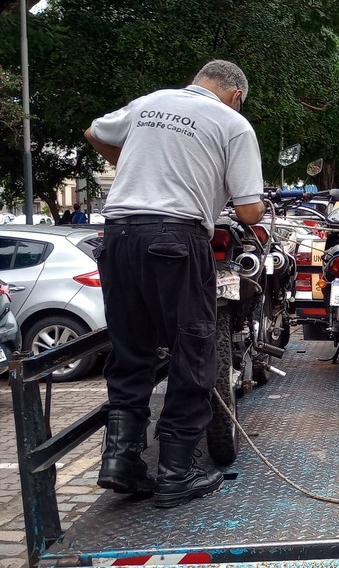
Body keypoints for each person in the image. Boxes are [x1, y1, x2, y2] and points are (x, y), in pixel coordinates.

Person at [84, 59, 265, 509]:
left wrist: (138, 166)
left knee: (131, 350)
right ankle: (175, 474)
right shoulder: (233, 123)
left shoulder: (152, 102)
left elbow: (94, 133)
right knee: (192, 349)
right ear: (236, 93)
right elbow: (248, 213)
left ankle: (121, 462)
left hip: (119, 235)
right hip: (176, 238)